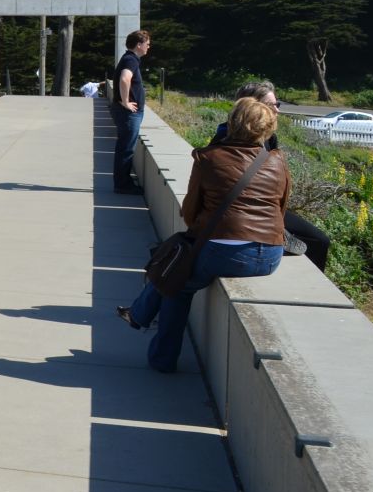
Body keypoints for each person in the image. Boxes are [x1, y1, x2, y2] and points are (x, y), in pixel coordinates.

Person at [117, 97, 288, 373]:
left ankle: (161, 356)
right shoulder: (277, 161)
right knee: (178, 274)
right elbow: (280, 210)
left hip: (225, 254)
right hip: (270, 254)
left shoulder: (209, 158)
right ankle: (137, 314)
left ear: (231, 123)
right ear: (266, 129)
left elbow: (189, 213)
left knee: (176, 284)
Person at [211, 80, 331, 272]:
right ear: (252, 107)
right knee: (316, 241)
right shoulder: (225, 139)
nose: (277, 110)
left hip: (264, 209)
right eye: (271, 105)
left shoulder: (269, 139)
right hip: (243, 215)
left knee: (319, 241)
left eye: (277, 105)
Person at [110, 30, 152, 194]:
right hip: (128, 113)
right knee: (126, 148)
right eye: (147, 43)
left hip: (127, 112)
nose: (149, 46)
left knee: (124, 147)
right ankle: (122, 184)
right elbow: (124, 78)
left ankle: (122, 181)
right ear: (139, 44)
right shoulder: (131, 59)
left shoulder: (129, 58)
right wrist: (126, 101)